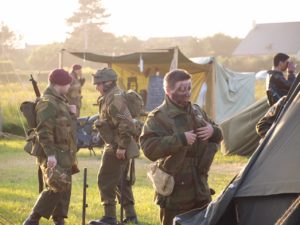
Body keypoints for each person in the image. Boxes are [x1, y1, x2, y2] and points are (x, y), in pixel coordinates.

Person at [139, 69, 223, 225]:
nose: (187, 93)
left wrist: (213, 131)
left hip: (200, 185)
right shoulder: (159, 117)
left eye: (189, 88)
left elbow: (218, 133)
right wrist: (179, 139)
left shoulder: (197, 111)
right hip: (175, 190)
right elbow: (148, 148)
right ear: (168, 91)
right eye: (181, 89)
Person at [23, 69, 78, 225]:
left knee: (64, 187)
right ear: (59, 84)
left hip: (65, 151)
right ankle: (32, 220)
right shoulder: (48, 102)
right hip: (54, 151)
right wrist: (51, 154)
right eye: (67, 84)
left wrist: (71, 113)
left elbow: (63, 124)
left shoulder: (60, 101)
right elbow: (44, 131)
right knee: (56, 186)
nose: (69, 87)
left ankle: (59, 220)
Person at [89, 68, 138, 225]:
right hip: (117, 144)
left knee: (105, 180)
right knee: (120, 181)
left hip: (118, 146)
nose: (97, 87)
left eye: (99, 84)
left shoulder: (114, 98)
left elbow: (125, 122)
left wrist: (122, 146)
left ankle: (109, 217)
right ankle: (131, 217)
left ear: (108, 82)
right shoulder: (109, 96)